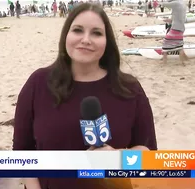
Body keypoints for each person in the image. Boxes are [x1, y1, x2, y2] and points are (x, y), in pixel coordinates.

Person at [13, 3, 157, 189]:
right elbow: (22, 152)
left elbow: (149, 153)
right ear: (66, 35)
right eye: (78, 30)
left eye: (96, 33)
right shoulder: (38, 83)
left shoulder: (130, 89)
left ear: (107, 41)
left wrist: (119, 156)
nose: (86, 39)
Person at [160, 0, 188, 65]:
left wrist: (159, 1)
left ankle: (164, 63)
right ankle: (183, 62)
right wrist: (169, 20)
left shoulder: (176, 3)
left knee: (165, 43)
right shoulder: (182, 3)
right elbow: (178, 17)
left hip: (176, 28)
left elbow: (165, 4)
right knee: (179, 45)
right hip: (181, 28)